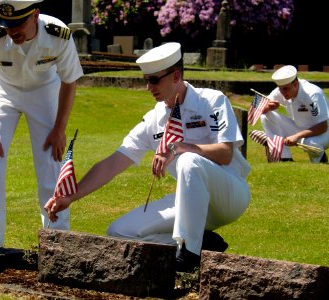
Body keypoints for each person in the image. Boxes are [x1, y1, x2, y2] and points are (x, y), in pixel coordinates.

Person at [45, 42, 251, 273]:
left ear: (176, 75)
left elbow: (225, 154)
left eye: (154, 80)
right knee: (120, 232)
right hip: (189, 201)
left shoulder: (212, 101)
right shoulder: (154, 119)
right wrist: (71, 197)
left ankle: (189, 256)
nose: (148, 87)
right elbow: (113, 163)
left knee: (188, 160)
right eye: (146, 80)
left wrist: (179, 147)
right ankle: (201, 244)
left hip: (229, 195)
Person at [0, 0, 83, 247]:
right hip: (2, 91)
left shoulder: (58, 34)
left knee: (52, 158)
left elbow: (69, 81)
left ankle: (56, 240)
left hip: (44, 92)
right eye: (7, 24)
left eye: (18, 24)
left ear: (35, 15)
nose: (12, 31)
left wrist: (60, 129)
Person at [256, 65, 329, 163]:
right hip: (299, 128)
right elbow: (258, 107)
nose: (282, 93)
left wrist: (297, 136)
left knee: (310, 143)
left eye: (285, 89)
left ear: (295, 84)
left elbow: (323, 127)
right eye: (280, 88)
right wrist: (268, 107)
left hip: (324, 133)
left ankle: (320, 159)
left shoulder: (313, 94)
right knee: (266, 116)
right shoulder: (281, 90)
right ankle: (284, 158)